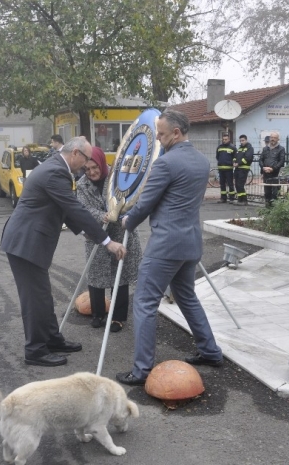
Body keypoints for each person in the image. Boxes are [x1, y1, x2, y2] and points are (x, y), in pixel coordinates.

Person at [116, 109, 224, 386]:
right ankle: (211, 352)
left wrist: (127, 221)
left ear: (176, 132)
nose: (160, 140)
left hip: (165, 244)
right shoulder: (202, 161)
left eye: (162, 135)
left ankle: (141, 371)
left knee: (144, 302)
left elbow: (146, 203)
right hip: (190, 241)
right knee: (187, 297)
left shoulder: (166, 164)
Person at [0, 137, 127, 367]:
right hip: (25, 243)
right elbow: (72, 206)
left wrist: (85, 232)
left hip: (29, 242)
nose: (87, 165)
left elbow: (63, 207)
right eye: (87, 159)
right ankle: (35, 350)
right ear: (76, 153)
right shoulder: (56, 172)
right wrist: (107, 241)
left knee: (42, 295)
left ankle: (52, 339)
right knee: (34, 300)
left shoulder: (56, 168)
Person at [76, 146, 142, 333]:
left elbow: (131, 202)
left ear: (102, 163)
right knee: (96, 276)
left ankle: (118, 318)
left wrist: (120, 216)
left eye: (94, 167)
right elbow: (84, 208)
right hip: (96, 235)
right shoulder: (82, 184)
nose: (92, 172)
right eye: (87, 169)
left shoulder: (118, 180)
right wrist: (103, 215)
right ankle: (98, 314)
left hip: (119, 233)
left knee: (119, 277)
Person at [259, 132, 286, 207]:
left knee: (275, 193)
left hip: (275, 174)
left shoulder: (281, 149)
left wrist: (272, 169)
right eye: (271, 137)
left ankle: (275, 210)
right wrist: (263, 168)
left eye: (274, 138)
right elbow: (261, 159)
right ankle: (267, 208)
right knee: (267, 192)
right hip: (266, 174)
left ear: (278, 139)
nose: (272, 139)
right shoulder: (265, 149)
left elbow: (281, 161)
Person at [215, 133, 237, 204]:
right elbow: (217, 157)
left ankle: (231, 198)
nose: (224, 141)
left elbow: (235, 157)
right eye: (223, 139)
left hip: (229, 169)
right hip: (221, 169)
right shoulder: (219, 147)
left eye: (226, 139)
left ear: (229, 139)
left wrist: (231, 162)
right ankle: (223, 198)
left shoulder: (232, 147)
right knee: (222, 184)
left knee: (230, 184)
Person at [234, 135, 254, 206]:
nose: (241, 142)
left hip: (244, 168)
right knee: (237, 184)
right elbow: (236, 156)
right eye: (240, 141)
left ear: (246, 140)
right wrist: (234, 162)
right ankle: (240, 199)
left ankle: (244, 200)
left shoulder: (249, 148)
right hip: (238, 168)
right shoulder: (240, 148)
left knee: (240, 184)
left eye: (243, 140)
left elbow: (247, 158)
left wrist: (238, 163)